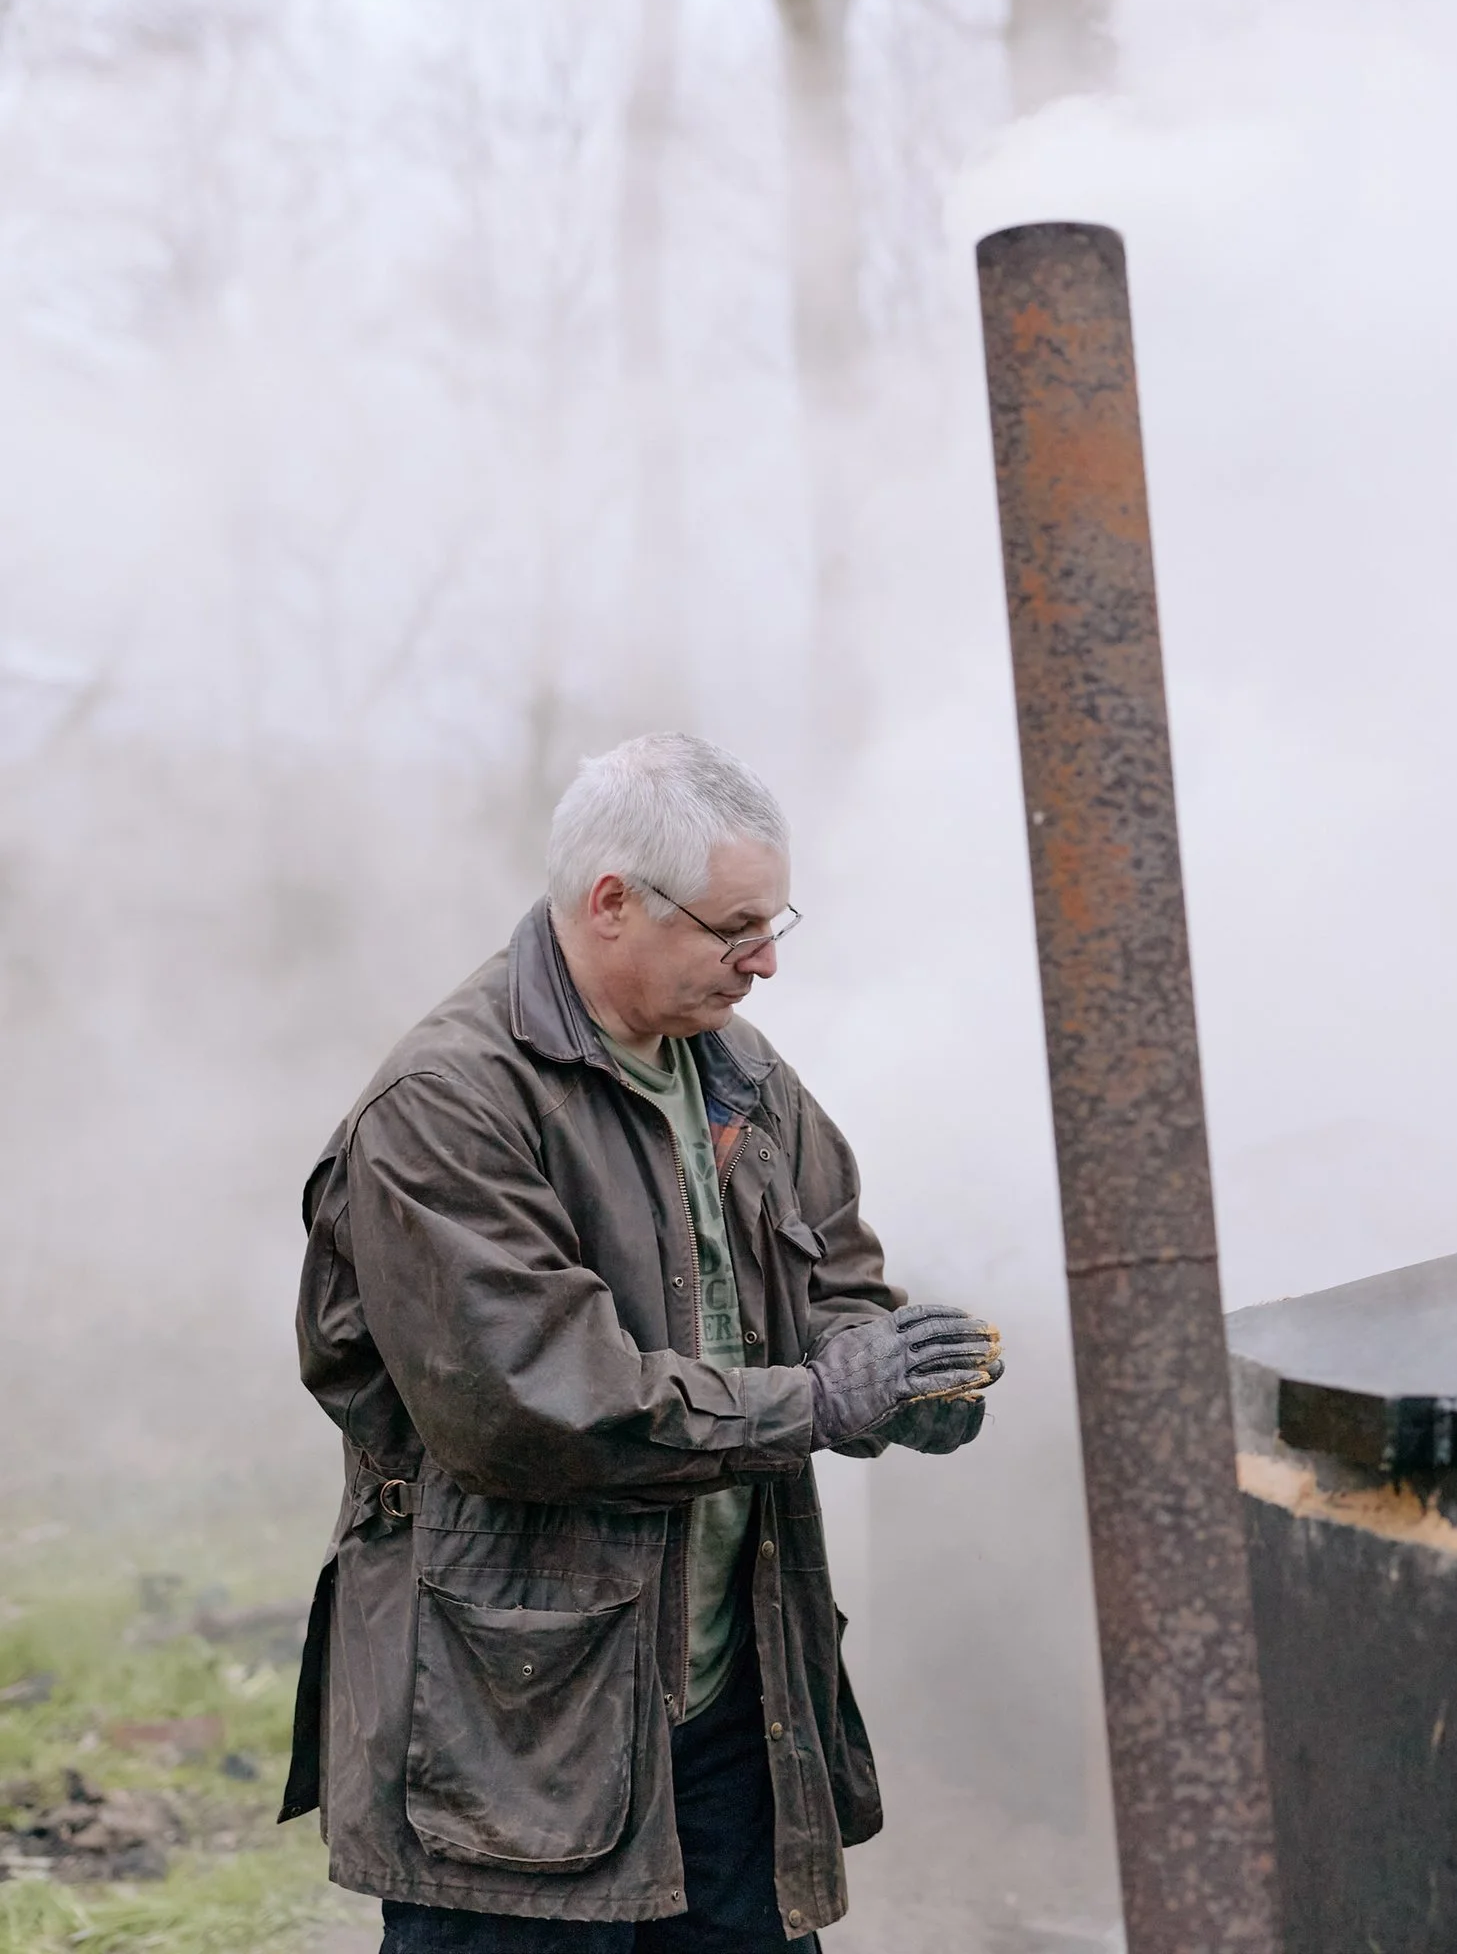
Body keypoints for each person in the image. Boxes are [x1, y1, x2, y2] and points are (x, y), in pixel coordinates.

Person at [281, 733, 1005, 1950]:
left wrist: (906, 1373)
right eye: (734, 928)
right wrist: (818, 1403)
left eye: (775, 924)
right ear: (611, 902)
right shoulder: (445, 1103)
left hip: (731, 1703)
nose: (765, 962)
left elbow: (833, 1282)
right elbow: (534, 1404)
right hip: (518, 1728)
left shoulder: (737, 1070)